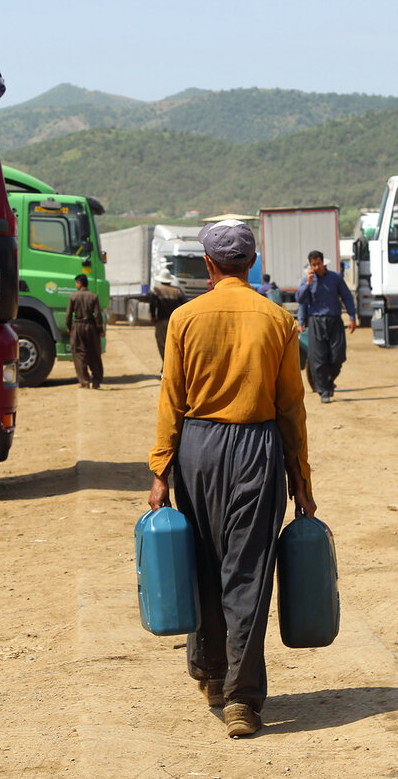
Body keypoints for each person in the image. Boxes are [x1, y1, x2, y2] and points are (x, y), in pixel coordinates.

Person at [148, 219, 315, 739]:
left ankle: (212, 676)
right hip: (257, 449)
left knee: (201, 564)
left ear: (210, 265)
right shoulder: (277, 319)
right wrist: (300, 477)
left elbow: (171, 399)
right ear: (252, 263)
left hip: (197, 448)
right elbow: (291, 406)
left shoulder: (184, 318)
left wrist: (160, 471)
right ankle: (243, 701)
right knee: (248, 573)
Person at [294, 250, 356, 403]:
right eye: (313, 265)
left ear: (323, 262)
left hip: (335, 321)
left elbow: (347, 297)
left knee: (338, 356)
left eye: (318, 264)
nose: (316, 267)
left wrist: (352, 316)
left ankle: (329, 381)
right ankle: (323, 390)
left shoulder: (335, 278)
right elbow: (300, 300)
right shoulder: (308, 280)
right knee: (318, 359)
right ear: (311, 265)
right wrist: (301, 321)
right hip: (316, 322)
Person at [65, 274, 104, 388]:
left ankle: (84, 381)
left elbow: (68, 315)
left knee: (79, 354)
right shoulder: (94, 296)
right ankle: (96, 381)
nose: (76, 285)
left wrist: (69, 326)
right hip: (91, 327)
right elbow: (97, 315)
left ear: (80, 283)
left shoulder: (73, 296)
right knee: (94, 354)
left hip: (78, 327)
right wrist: (100, 329)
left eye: (76, 283)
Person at [148, 272, 186, 363]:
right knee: (173, 343)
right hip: (174, 321)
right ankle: (170, 364)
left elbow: (152, 305)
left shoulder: (156, 290)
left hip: (161, 321)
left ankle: (165, 365)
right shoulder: (177, 291)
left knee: (162, 343)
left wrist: (153, 317)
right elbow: (185, 304)